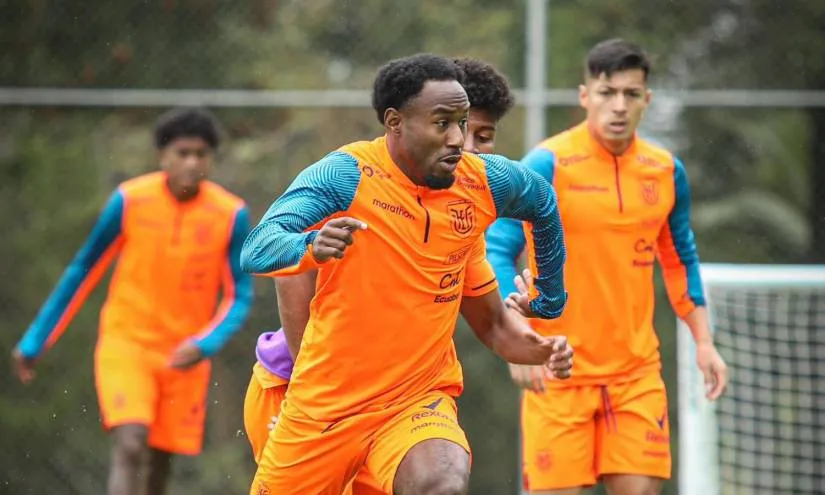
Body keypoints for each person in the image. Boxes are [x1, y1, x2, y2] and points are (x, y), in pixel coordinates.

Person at [240, 53, 571, 495]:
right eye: (444, 124)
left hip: (415, 401)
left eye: (469, 125)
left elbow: (542, 205)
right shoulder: (347, 175)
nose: (461, 140)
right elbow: (258, 248)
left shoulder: (478, 192)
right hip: (318, 402)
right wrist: (308, 246)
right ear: (395, 122)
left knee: (443, 482)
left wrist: (549, 305)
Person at [486, 38, 729, 495]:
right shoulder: (547, 164)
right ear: (585, 96)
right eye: (606, 92)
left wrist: (703, 341)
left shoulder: (665, 171)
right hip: (557, 369)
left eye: (631, 94)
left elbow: (680, 261)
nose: (618, 106)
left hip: (635, 375)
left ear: (646, 100)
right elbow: (496, 249)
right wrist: (514, 332)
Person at [11, 108, 254, 495]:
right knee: (130, 444)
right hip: (128, 344)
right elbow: (82, 270)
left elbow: (240, 295)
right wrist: (36, 340)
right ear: (163, 156)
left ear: (211, 159)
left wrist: (205, 344)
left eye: (201, 154)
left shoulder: (230, 214)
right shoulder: (130, 201)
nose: (192, 162)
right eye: (183, 152)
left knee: (160, 461)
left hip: (184, 356)